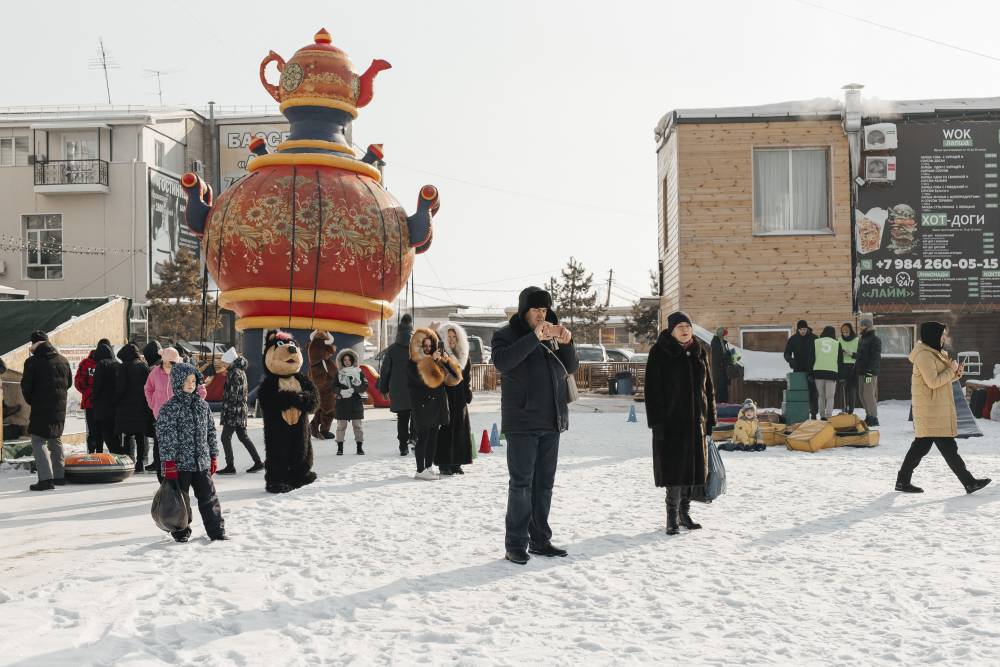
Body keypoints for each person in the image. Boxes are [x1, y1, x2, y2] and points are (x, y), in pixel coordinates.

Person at [491, 286, 578, 565]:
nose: (541, 314)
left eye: (544, 309)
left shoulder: (552, 334)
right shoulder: (505, 335)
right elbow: (503, 362)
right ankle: (515, 544)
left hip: (552, 419)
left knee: (544, 485)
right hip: (522, 422)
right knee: (521, 485)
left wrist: (568, 343)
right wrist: (533, 338)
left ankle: (540, 540)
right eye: (536, 309)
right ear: (524, 311)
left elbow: (571, 367)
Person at [895, 322, 991, 495]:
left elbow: (943, 380)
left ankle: (902, 481)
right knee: (948, 448)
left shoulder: (936, 354)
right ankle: (969, 482)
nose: (944, 338)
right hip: (931, 411)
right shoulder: (924, 356)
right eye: (941, 334)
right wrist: (950, 371)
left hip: (935, 409)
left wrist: (956, 373)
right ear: (933, 335)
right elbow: (933, 382)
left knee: (921, 447)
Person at [645, 312, 716, 535]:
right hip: (671, 425)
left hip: (697, 423)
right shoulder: (660, 352)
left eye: (687, 326)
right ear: (671, 330)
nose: (685, 330)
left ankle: (684, 514)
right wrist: (657, 423)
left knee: (693, 473)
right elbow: (652, 391)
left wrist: (710, 419)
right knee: (674, 473)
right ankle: (671, 517)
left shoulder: (699, 352)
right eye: (679, 327)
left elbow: (709, 388)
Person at [156, 362, 227, 542]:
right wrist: (169, 462)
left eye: (194, 381)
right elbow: (166, 437)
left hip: (201, 462)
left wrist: (213, 456)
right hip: (180, 465)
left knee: (209, 497)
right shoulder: (169, 408)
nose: (190, 384)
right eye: (186, 381)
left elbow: (210, 432)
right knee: (181, 500)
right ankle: (181, 532)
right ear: (178, 381)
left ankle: (217, 531)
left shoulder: (203, 406)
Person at [20, 331, 72, 491]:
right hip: (59, 407)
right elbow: (69, 383)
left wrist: (33, 401)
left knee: (38, 440)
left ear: (34, 344)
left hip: (40, 407)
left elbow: (26, 387)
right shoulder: (63, 360)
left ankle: (45, 480)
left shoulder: (32, 362)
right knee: (55, 439)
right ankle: (59, 477)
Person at [406, 328, 461, 479]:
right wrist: (431, 360)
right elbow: (422, 381)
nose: (428, 348)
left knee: (433, 438)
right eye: (425, 346)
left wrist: (446, 361)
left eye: (430, 346)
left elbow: (455, 379)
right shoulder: (412, 363)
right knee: (423, 438)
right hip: (422, 405)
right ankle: (420, 470)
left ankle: (428, 467)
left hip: (437, 404)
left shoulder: (437, 360)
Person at [145, 347, 207, 481]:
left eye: (171, 362)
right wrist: (153, 405)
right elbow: (148, 388)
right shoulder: (155, 373)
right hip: (161, 417)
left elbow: (201, 389)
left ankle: (181, 479)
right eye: (165, 362)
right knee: (160, 449)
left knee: (180, 450)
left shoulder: (186, 370)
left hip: (183, 418)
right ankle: (164, 481)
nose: (168, 365)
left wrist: (193, 406)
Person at [435, 323, 474, 476]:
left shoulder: (464, 355)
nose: (451, 339)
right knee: (445, 430)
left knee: (460, 430)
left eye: (454, 336)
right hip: (445, 395)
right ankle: (444, 463)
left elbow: (467, 377)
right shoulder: (441, 355)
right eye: (448, 336)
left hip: (460, 397)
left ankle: (457, 462)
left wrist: (467, 393)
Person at [218, 354, 264, 474]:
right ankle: (258, 462)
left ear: (229, 362)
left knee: (225, 437)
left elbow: (233, 395)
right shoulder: (239, 371)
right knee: (243, 437)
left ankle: (230, 466)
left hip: (234, 411)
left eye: (224, 362)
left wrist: (227, 406)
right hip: (240, 410)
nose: (223, 365)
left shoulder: (234, 373)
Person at [379, 314, 415, 456]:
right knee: (416, 415)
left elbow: (385, 370)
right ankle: (414, 438)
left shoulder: (392, 349)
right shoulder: (416, 347)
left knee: (402, 417)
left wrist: (383, 388)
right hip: (415, 387)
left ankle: (403, 446)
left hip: (398, 389)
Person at [114, 343, 153, 472]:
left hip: (126, 407)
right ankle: (140, 462)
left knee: (128, 435)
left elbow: (120, 388)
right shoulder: (143, 366)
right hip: (142, 406)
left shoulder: (123, 367)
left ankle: (130, 460)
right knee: (140, 435)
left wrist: (115, 401)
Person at [74, 338, 109, 454]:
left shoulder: (86, 363)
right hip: (101, 403)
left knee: (94, 431)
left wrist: (89, 393)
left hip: (92, 403)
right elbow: (78, 382)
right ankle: (97, 453)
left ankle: (93, 454)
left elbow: (78, 383)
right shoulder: (108, 363)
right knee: (98, 431)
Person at [333, 348, 368, 456]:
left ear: (353, 360)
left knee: (357, 426)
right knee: (341, 427)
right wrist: (341, 391)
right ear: (341, 361)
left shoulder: (359, 372)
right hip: (342, 404)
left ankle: (359, 448)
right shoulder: (338, 373)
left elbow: (364, 386)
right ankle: (340, 448)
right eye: (345, 360)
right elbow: (333, 386)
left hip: (355, 403)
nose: (347, 362)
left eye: (349, 360)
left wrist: (354, 390)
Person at [90, 341, 122, 454]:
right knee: (115, 435)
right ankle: (120, 455)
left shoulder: (102, 364)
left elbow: (97, 385)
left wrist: (93, 397)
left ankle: (116, 455)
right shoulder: (118, 364)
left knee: (106, 434)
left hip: (103, 406)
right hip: (116, 405)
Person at [784, 320, 818, 420]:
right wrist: (791, 361)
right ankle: (799, 414)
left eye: (804, 329)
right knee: (798, 392)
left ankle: (814, 413)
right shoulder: (793, 339)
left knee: (812, 392)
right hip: (798, 369)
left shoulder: (814, 338)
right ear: (798, 329)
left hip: (811, 370)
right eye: (801, 329)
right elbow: (786, 353)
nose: (803, 331)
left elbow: (819, 353)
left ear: (807, 328)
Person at [307, 330, 338, 440]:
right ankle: (324, 430)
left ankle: (313, 426)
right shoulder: (323, 360)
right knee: (330, 410)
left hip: (319, 387)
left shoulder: (314, 358)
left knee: (322, 409)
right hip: (326, 388)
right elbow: (333, 373)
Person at [854, 317, 882, 427]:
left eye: (862, 326)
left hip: (869, 372)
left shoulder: (875, 339)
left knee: (868, 394)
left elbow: (875, 358)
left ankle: (873, 417)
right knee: (861, 394)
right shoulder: (862, 339)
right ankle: (868, 415)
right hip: (861, 372)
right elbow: (860, 356)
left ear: (868, 327)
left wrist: (869, 371)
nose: (861, 327)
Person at [141, 341, 163, 471]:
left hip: (158, 407)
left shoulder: (154, 369)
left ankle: (158, 462)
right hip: (162, 406)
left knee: (158, 437)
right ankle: (157, 461)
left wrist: (151, 404)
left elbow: (150, 389)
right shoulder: (163, 365)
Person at [813, 326, 841, 421]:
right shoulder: (837, 343)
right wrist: (840, 375)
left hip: (818, 372)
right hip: (832, 373)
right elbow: (840, 361)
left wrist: (811, 372)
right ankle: (828, 416)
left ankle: (822, 415)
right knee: (830, 397)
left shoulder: (816, 342)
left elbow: (811, 357)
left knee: (821, 395)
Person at [838, 323, 859, 414]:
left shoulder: (857, 340)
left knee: (852, 389)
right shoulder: (839, 340)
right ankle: (844, 409)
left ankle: (851, 410)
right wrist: (841, 353)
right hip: (842, 366)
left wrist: (851, 354)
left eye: (847, 332)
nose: (845, 334)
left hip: (853, 367)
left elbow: (861, 355)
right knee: (842, 389)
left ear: (850, 331)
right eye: (843, 332)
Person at [710, 327, 734, 404]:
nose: (725, 336)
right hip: (719, 371)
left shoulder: (722, 343)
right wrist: (726, 356)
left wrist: (730, 354)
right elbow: (718, 357)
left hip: (723, 370)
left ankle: (723, 403)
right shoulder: (716, 343)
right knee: (720, 389)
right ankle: (719, 405)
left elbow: (724, 354)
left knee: (724, 389)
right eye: (724, 335)